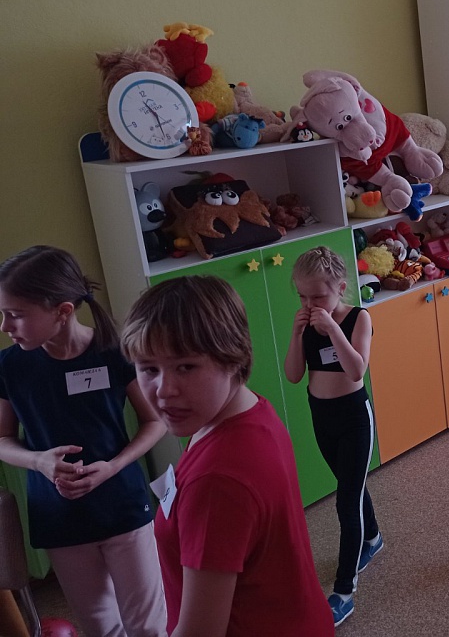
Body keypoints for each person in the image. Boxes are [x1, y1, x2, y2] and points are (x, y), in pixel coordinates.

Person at [120, 275, 335, 637]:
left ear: (233, 358)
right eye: (148, 369)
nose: (164, 390)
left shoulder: (216, 480)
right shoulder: (246, 411)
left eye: (185, 366)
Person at [0, 245, 167, 637]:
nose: (6, 325)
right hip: (59, 516)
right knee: (99, 626)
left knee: (148, 625)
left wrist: (113, 466)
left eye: (16, 314)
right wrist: (39, 461)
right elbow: (3, 438)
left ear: (62, 311)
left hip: (123, 507)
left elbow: (154, 421)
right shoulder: (10, 366)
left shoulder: (115, 352)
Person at [284, 246, 381, 627]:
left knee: (345, 501)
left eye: (318, 297)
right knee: (349, 484)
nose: (310, 305)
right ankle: (372, 538)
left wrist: (333, 330)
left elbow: (356, 370)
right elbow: (294, 375)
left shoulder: (358, 318)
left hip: (354, 417)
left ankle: (344, 591)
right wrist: (297, 334)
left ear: (340, 288)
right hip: (321, 417)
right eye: (302, 297)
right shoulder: (306, 324)